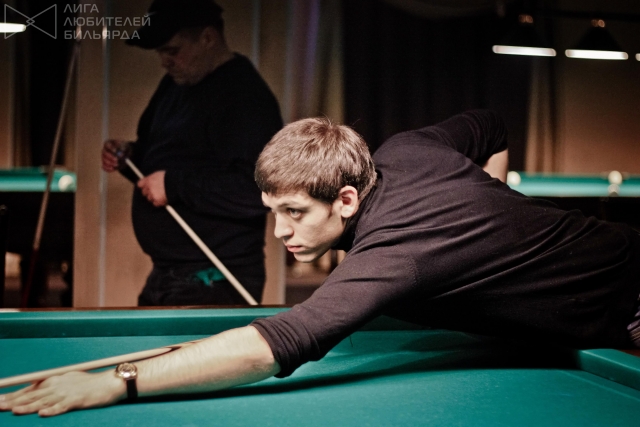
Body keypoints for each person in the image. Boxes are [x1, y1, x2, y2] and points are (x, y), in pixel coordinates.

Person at [2, 110, 640, 417]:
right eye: (271, 210)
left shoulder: (394, 252)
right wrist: (497, 210)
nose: (280, 231)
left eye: (294, 212)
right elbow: (490, 125)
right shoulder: (406, 149)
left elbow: (279, 343)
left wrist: (118, 380)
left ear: (346, 199)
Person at [101, 0, 283, 306]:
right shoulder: (175, 85)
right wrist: (129, 157)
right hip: (168, 274)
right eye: (160, 52)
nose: (164, 61)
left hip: (216, 278)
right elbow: (161, 156)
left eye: (172, 50)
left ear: (208, 38)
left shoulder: (245, 96)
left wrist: (173, 185)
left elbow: (260, 191)